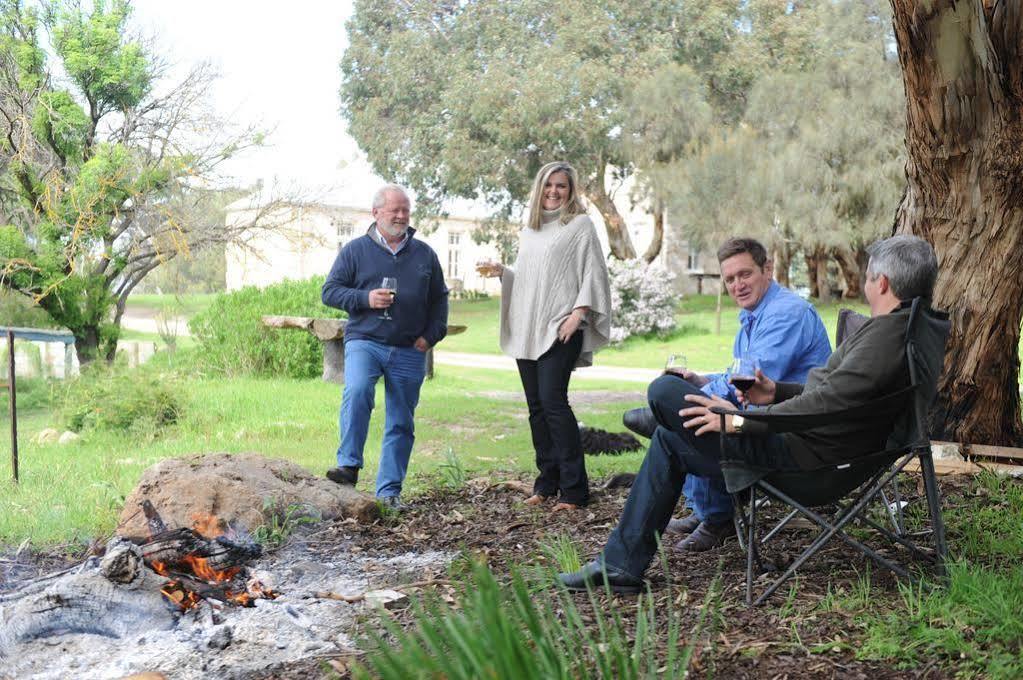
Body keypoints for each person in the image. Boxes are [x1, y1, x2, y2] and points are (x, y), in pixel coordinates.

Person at [558, 235, 938, 592]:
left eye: (868, 277)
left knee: (664, 391)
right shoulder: (904, 330)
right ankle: (621, 566)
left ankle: (625, 551)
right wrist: (774, 391)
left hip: (807, 462)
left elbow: (825, 404)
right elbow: (834, 396)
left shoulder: (884, 339)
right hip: (814, 446)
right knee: (669, 439)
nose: (866, 284)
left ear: (883, 282)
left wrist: (740, 421)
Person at [623, 238, 831, 552]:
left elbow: (750, 384)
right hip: (761, 420)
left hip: (790, 431)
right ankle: (709, 512)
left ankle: (718, 517)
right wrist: (700, 380)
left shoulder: (786, 313)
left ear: (768, 269)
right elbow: (736, 375)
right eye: (730, 279)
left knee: (694, 414)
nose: (737, 285)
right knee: (698, 410)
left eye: (745, 274)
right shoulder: (753, 317)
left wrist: (693, 396)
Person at [477, 161, 611, 511]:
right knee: (536, 409)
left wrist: (578, 314)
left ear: (571, 190)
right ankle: (546, 483)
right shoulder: (530, 230)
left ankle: (574, 491)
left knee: (554, 404)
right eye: (549, 185)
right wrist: (503, 272)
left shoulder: (580, 226)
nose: (554, 191)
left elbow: (594, 275)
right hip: (528, 329)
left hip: (562, 328)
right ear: (540, 188)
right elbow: (531, 279)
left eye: (562, 186)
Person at [321, 184, 449, 510]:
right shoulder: (355, 251)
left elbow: (439, 299)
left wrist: (431, 335)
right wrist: (365, 298)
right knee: (358, 390)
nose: (401, 215)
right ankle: (348, 465)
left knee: (401, 420)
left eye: (405, 210)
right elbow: (330, 292)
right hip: (366, 340)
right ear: (376, 212)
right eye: (395, 210)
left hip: (409, 348)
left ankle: (388, 492)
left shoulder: (424, 254)